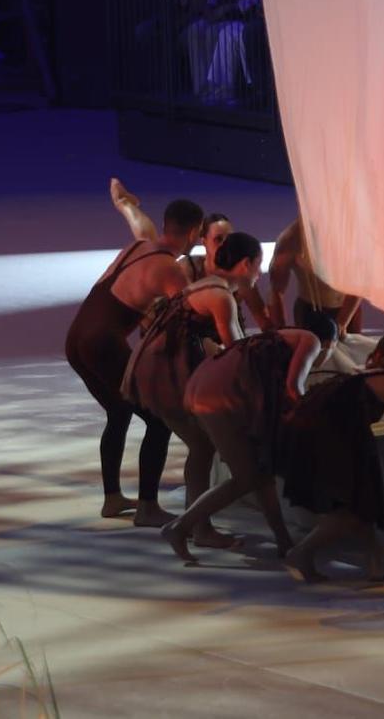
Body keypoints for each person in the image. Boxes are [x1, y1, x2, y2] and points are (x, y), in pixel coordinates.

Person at [64, 197, 204, 520]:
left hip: (74, 340)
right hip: (101, 343)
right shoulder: (172, 271)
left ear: (165, 224)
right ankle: (148, 508)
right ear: (195, 232)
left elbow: (139, 222)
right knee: (160, 419)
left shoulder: (139, 245)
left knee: (119, 411)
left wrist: (124, 203)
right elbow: (185, 324)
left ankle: (113, 499)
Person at [125, 231, 261, 547]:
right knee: (203, 446)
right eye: (257, 265)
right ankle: (196, 526)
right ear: (245, 264)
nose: (258, 273)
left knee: (201, 447)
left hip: (163, 368)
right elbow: (236, 351)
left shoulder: (213, 288)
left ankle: (198, 525)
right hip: (164, 374)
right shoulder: (220, 296)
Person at [161, 326, 325, 564]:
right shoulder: (312, 340)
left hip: (204, 385)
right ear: (330, 344)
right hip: (217, 395)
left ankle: (283, 541)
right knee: (246, 477)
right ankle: (179, 527)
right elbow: (294, 389)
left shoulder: (274, 338)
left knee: (260, 470)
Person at [279, 333, 384, 583]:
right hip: (329, 437)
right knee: (351, 510)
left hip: (312, 431)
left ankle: (375, 563)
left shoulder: (364, 374)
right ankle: (301, 552)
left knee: (362, 502)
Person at [267, 214, 362, 341]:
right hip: (311, 312)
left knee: (352, 356)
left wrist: (342, 322)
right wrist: (280, 332)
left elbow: (359, 281)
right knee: (310, 355)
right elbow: (276, 289)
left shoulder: (350, 234)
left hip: (349, 308)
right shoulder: (291, 238)